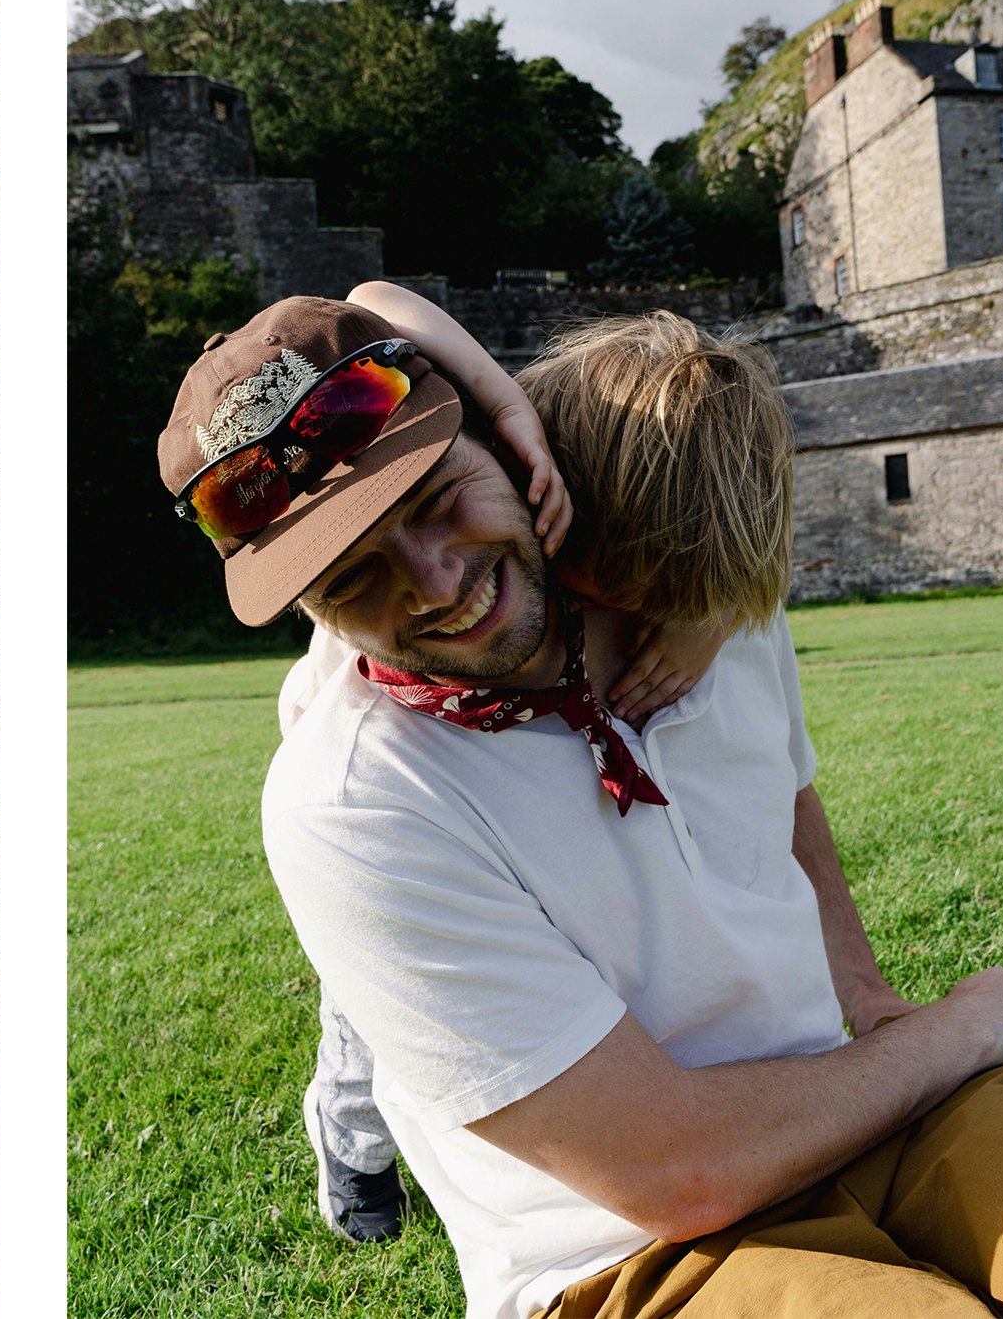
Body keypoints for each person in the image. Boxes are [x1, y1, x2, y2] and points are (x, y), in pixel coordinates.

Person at [163, 293, 1003, 1318]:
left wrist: (870, 1001)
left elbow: (778, 787)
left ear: (502, 440)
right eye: (349, 577)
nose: (433, 583)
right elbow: (672, 1173)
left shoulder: (682, 571)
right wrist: (960, 1032)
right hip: (632, 1252)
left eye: (437, 499)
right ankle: (349, 1127)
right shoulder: (355, 803)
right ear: (309, 610)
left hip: (870, 1104)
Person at [282, 288, 759, 1243]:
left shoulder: (539, 470)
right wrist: (505, 402)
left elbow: (720, 526)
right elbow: (372, 298)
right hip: (402, 772)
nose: (434, 577)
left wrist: (707, 612)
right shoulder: (502, 435)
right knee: (369, 1019)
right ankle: (350, 1142)